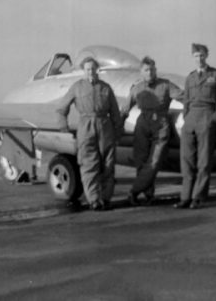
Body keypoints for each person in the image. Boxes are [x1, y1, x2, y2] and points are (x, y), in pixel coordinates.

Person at [55, 57, 123, 211]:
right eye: (87, 69)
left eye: (93, 68)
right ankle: (94, 200)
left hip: (105, 126)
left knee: (108, 163)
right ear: (83, 71)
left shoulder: (106, 88)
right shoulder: (76, 87)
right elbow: (61, 109)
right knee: (88, 164)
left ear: (97, 69)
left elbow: (115, 113)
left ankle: (106, 198)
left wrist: (118, 132)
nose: (90, 72)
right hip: (86, 127)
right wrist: (63, 127)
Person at [121, 56, 182, 206]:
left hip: (160, 124)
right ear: (141, 72)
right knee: (141, 161)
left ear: (156, 70)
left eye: (152, 69)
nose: (150, 73)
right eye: (146, 70)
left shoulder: (166, 85)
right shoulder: (137, 88)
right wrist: (118, 127)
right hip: (142, 124)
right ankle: (148, 195)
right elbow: (125, 109)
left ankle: (134, 191)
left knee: (154, 162)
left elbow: (184, 97)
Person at [176, 43, 216, 209]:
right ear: (193, 58)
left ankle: (198, 197)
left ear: (206, 56)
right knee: (186, 161)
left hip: (207, 118)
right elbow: (186, 102)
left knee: (204, 161)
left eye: (201, 56)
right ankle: (185, 197)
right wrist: (186, 118)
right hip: (190, 120)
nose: (199, 59)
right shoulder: (190, 78)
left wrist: (214, 119)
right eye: (196, 56)